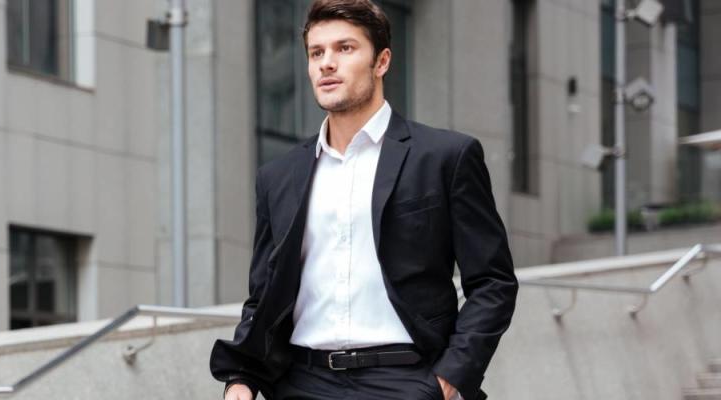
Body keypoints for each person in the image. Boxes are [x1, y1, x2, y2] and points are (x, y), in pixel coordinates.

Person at [210, 1, 518, 399]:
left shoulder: (445, 156)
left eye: (345, 48)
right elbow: (263, 294)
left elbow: (493, 282)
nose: (327, 63)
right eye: (316, 53)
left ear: (382, 61)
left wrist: (446, 380)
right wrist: (243, 378)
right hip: (302, 383)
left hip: (405, 380)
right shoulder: (278, 176)